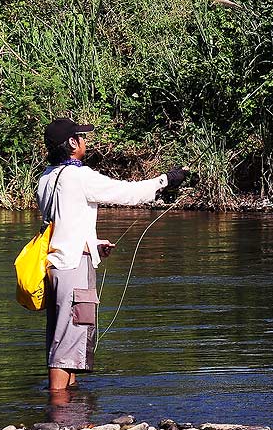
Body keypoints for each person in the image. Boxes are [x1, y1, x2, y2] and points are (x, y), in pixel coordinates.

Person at [37, 117, 187, 391]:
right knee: (69, 341)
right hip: (73, 268)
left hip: (55, 268)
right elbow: (126, 193)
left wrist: (92, 245)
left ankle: (70, 410)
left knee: (66, 337)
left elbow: (63, 224)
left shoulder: (46, 177)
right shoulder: (78, 176)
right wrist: (166, 180)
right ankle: (59, 413)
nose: (85, 141)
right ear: (72, 143)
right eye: (81, 137)